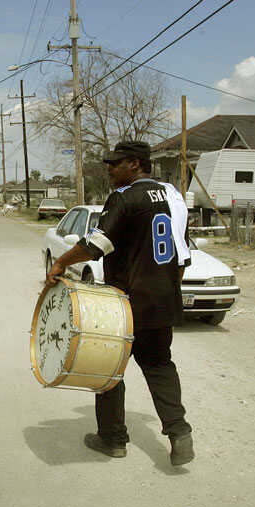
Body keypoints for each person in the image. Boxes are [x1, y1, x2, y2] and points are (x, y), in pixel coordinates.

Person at [46, 140, 195, 466]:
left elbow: (97, 244)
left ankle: (112, 439)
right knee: (159, 366)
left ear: (135, 165)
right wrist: (166, 288)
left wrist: (60, 262)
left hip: (124, 303)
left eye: (115, 163)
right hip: (162, 300)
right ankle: (179, 432)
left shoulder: (125, 197)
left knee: (108, 368)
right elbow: (183, 256)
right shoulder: (174, 198)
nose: (110, 169)